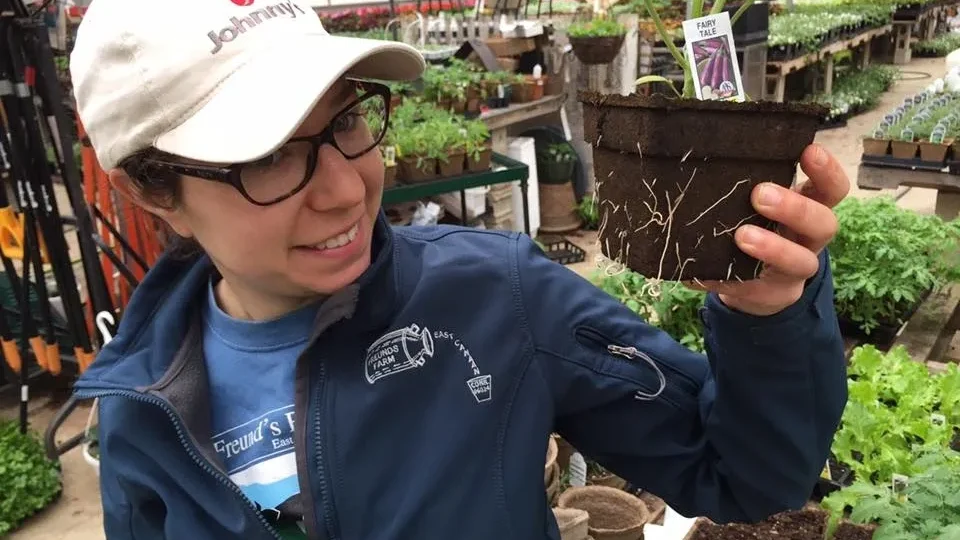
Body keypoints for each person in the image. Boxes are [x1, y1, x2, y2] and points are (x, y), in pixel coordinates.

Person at [68, 0, 850, 538]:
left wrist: (769, 318)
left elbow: (742, 479)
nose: (346, 189)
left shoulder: (494, 298)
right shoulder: (139, 411)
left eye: (346, 119)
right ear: (151, 190)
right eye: (267, 157)